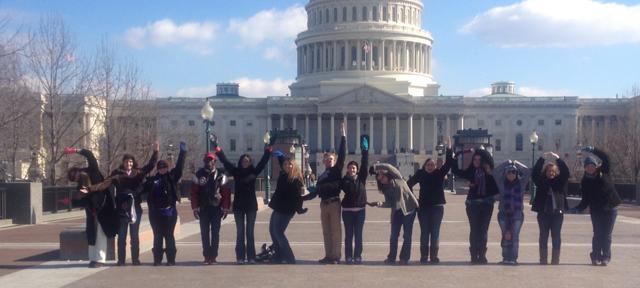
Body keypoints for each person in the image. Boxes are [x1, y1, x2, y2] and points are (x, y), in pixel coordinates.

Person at [215, 133, 274, 264]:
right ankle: (240, 257)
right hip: (238, 206)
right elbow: (225, 161)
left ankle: (251, 257)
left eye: (247, 161)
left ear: (250, 162)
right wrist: (217, 149)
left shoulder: (254, 171)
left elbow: (264, 161)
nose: (245, 163)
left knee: (250, 233)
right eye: (243, 161)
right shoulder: (236, 172)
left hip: (251, 206)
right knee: (240, 233)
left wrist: (269, 149)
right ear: (240, 162)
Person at [66, 147, 118, 268]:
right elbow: (82, 200)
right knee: (91, 233)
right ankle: (92, 258)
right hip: (92, 210)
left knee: (101, 233)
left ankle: (100, 259)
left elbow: (89, 155)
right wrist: (72, 201)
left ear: (78, 170)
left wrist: (75, 150)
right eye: (74, 178)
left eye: (75, 173)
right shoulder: (80, 186)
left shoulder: (93, 171)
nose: (76, 177)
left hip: (104, 207)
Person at [569, 147, 621, 266]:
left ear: (596, 166)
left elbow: (606, 157)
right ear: (585, 168)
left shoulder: (604, 171)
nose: (590, 167)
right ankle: (596, 256)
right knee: (597, 234)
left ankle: (606, 257)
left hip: (610, 208)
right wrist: (577, 208)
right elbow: (585, 199)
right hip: (596, 210)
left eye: (592, 165)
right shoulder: (585, 181)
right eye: (587, 166)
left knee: (607, 235)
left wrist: (593, 150)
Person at [109, 143, 159, 265]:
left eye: (131, 162)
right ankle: (121, 260)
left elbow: (150, 166)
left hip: (135, 209)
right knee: (121, 236)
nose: (129, 164)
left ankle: (135, 259)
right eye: (127, 162)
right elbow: (106, 184)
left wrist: (155, 152)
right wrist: (91, 188)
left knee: (134, 236)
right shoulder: (117, 174)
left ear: (133, 163)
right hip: (122, 209)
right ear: (123, 163)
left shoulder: (138, 173)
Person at [407, 141, 453, 264]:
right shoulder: (420, 174)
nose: (431, 166)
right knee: (424, 232)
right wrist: (413, 198)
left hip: (437, 207)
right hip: (423, 207)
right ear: (424, 166)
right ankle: (423, 256)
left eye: (432, 164)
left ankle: (433, 256)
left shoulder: (439, 173)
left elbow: (448, 164)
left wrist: (449, 149)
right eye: (428, 164)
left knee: (435, 232)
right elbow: (408, 184)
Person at [142, 141, 186, 266]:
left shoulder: (172, 177)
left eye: (164, 167)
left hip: (169, 212)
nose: (162, 169)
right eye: (160, 167)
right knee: (157, 236)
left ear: (167, 168)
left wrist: (183, 152)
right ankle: (157, 259)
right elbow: (141, 188)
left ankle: (171, 259)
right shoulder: (152, 180)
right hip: (155, 213)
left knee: (169, 236)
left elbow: (179, 167)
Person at [451, 148, 498, 264]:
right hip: (473, 204)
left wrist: (477, 150)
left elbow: (496, 188)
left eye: (479, 159)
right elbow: (456, 171)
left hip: (487, 204)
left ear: (484, 160)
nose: (476, 161)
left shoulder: (491, 173)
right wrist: (456, 156)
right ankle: (473, 255)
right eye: (475, 159)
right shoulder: (471, 171)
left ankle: (481, 255)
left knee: (483, 230)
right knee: (474, 229)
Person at [190, 151, 231, 265]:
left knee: (215, 233)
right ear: (204, 161)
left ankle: (213, 256)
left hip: (216, 208)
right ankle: (206, 256)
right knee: (204, 233)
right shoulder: (198, 175)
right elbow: (194, 193)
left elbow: (226, 193)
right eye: (207, 160)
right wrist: (195, 208)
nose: (209, 162)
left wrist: (226, 208)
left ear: (214, 161)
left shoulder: (221, 175)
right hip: (203, 208)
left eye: (211, 160)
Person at [374, 163, 419, 265]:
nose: (382, 180)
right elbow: (389, 203)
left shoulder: (397, 177)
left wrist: (377, 167)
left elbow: (389, 167)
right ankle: (391, 257)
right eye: (380, 180)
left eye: (382, 177)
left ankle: (404, 258)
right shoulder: (385, 189)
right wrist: (380, 204)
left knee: (407, 235)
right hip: (397, 212)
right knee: (393, 236)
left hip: (409, 209)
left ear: (386, 175)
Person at [531, 152, 570, 265]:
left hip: (557, 213)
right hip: (543, 213)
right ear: (546, 172)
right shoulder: (541, 182)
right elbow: (534, 173)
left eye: (553, 171)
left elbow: (566, 173)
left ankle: (555, 259)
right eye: (549, 171)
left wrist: (558, 159)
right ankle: (543, 259)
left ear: (556, 172)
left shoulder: (559, 182)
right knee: (543, 235)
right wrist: (542, 159)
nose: (551, 173)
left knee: (556, 236)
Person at [316, 122, 346, 264]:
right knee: (326, 231)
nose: (329, 161)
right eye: (327, 160)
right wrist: (302, 198)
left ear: (334, 161)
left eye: (331, 159)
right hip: (324, 204)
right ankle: (328, 255)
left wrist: (343, 137)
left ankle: (336, 256)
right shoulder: (322, 175)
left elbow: (342, 155)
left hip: (334, 203)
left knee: (335, 231)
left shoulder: (336, 170)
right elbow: (316, 191)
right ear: (324, 162)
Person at [267, 152, 305, 264]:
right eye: (285, 165)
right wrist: (280, 156)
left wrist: (299, 209)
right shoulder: (284, 174)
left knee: (278, 232)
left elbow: (297, 197)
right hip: (278, 207)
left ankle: (289, 257)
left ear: (293, 165)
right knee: (272, 231)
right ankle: (278, 255)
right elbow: (283, 162)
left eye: (290, 164)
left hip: (286, 210)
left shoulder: (296, 179)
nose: (287, 166)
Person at [493, 160, 531, 265]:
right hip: (503, 214)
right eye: (509, 172)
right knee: (505, 235)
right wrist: (507, 163)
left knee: (514, 236)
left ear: (516, 173)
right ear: (505, 173)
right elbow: (495, 172)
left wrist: (516, 163)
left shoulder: (521, 184)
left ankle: (513, 259)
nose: (511, 174)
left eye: (513, 172)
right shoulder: (502, 183)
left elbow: (527, 171)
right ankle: (506, 258)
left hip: (517, 214)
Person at [340, 135, 369, 264]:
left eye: (354, 168)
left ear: (357, 170)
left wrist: (365, 152)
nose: (352, 170)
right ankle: (348, 256)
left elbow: (365, 164)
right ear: (347, 169)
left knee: (358, 235)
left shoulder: (361, 178)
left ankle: (357, 255)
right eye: (350, 168)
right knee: (348, 236)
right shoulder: (344, 180)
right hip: (347, 211)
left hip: (360, 211)